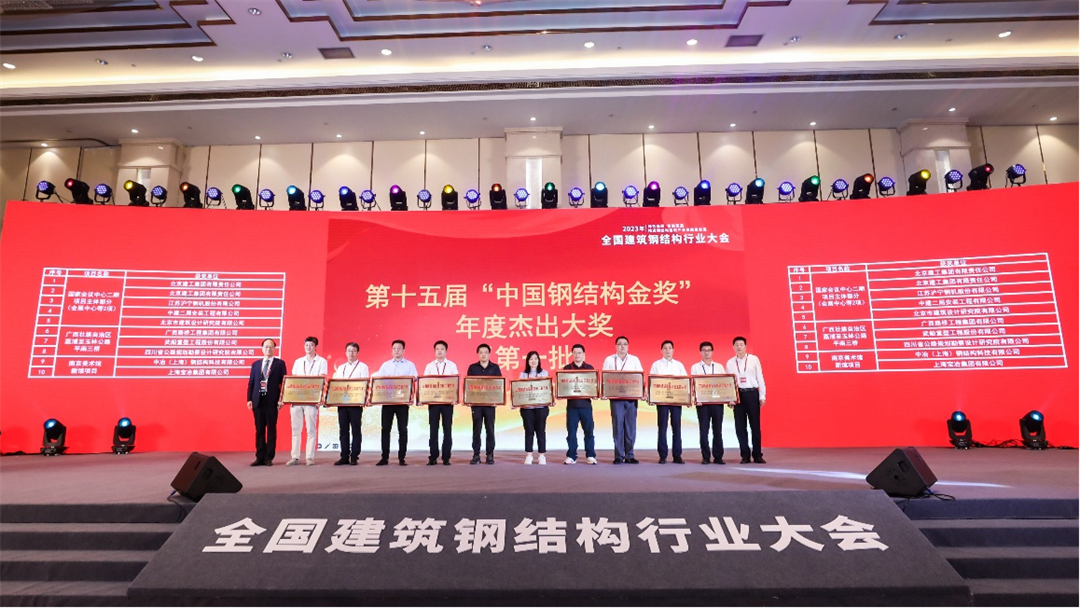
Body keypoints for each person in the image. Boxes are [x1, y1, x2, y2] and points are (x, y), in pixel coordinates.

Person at [374, 339, 419, 466]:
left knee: (403, 430)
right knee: (385, 429)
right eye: (394, 348)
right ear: (391, 350)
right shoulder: (385, 365)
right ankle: (384, 457)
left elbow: (415, 378)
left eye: (399, 348)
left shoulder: (410, 365)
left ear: (404, 350)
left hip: (402, 403)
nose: (396, 351)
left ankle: (402, 457)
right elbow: (379, 381)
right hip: (388, 402)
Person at [602, 335, 643, 464]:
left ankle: (630, 454)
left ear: (628, 346)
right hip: (616, 399)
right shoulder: (609, 359)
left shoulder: (634, 360)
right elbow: (605, 378)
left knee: (630, 426)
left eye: (625, 344)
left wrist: (642, 392)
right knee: (618, 425)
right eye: (619, 344)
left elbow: (640, 378)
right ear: (616, 346)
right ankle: (619, 455)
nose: (622, 346)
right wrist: (604, 392)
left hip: (631, 398)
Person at [287, 336, 327, 466]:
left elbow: (322, 381)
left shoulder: (321, 361)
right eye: (306, 345)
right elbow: (293, 381)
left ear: (316, 347)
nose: (308, 347)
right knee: (295, 429)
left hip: (312, 400)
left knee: (311, 429)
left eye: (311, 345)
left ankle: (309, 457)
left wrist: (319, 398)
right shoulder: (298, 361)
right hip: (297, 400)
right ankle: (295, 456)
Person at [726, 336, 766, 464]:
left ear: (745, 346)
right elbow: (729, 382)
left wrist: (762, 395)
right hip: (738, 395)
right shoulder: (730, 362)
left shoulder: (754, 359)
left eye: (741, 344)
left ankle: (757, 455)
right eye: (736, 345)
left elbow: (760, 377)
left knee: (755, 426)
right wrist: (730, 398)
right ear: (733, 347)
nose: (739, 347)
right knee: (740, 427)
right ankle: (745, 455)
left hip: (752, 393)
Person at [246, 338, 286, 466]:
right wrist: (249, 399)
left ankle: (269, 457)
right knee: (259, 429)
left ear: (274, 349)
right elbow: (251, 383)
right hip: (258, 400)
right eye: (266, 347)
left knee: (271, 429)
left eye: (271, 347)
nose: (268, 349)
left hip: (272, 401)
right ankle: (259, 457)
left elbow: (284, 384)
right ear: (262, 349)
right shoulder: (256, 364)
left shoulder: (279, 364)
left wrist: (282, 399)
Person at [650, 340, 687, 464]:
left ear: (673, 350)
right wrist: (652, 398)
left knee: (676, 427)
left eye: (670, 348)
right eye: (665, 348)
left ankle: (677, 455)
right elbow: (652, 383)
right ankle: (662, 455)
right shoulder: (656, 365)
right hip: (662, 401)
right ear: (661, 350)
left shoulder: (679, 365)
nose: (667, 350)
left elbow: (685, 382)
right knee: (662, 427)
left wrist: (686, 398)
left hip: (676, 401)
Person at [332, 342, 368, 466]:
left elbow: (364, 384)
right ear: (345, 352)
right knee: (343, 430)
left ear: (357, 352)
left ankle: (354, 456)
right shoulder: (341, 368)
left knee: (356, 430)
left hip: (355, 403)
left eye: (353, 351)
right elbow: (336, 384)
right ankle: (344, 456)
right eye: (349, 351)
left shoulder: (363, 367)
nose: (351, 353)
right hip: (342, 403)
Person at [423, 340, 458, 466]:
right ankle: (433, 457)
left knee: (447, 430)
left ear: (446, 351)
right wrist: (423, 398)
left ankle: (446, 457)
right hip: (433, 403)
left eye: (442, 349)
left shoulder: (452, 365)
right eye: (437, 349)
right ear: (434, 351)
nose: (439, 351)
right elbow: (425, 383)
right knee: (433, 430)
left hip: (447, 403)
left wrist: (455, 397)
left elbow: (455, 382)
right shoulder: (429, 366)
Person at [466, 343, 502, 465]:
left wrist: (497, 399)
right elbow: (469, 385)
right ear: (478, 354)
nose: (483, 355)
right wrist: (469, 399)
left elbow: (499, 386)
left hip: (490, 405)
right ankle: (476, 454)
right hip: (476, 404)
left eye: (485, 352)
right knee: (476, 429)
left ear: (489, 354)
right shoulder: (472, 368)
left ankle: (490, 454)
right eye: (481, 352)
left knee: (490, 429)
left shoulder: (495, 368)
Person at [691, 341, 725, 465]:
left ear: (712, 352)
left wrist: (729, 397)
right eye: (704, 350)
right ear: (700, 352)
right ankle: (705, 457)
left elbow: (725, 384)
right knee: (704, 430)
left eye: (709, 350)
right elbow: (693, 385)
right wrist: (696, 399)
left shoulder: (719, 367)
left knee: (718, 430)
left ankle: (718, 456)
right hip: (703, 404)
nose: (706, 352)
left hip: (717, 402)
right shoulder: (695, 367)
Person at [563, 344, 598, 465]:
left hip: (586, 406)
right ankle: (571, 456)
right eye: (575, 353)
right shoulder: (567, 369)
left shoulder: (589, 368)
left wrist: (595, 393)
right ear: (572, 354)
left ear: (584, 354)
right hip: (572, 406)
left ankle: (590, 455)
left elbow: (594, 386)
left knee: (589, 432)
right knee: (571, 433)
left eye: (579, 353)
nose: (577, 355)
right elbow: (563, 386)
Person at [517, 351, 549, 465]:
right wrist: (516, 402)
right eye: (531, 359)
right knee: (529, 431)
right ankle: (529, 455)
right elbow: (519, 390)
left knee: (541, 431)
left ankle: (541, 455)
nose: (533, 361)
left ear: (539, 360)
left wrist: (550, 400)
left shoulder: (544, 373)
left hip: (541, 407)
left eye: (535, 358)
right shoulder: (523, 374)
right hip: (527, 408)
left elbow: (547, 389)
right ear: (527, 361)